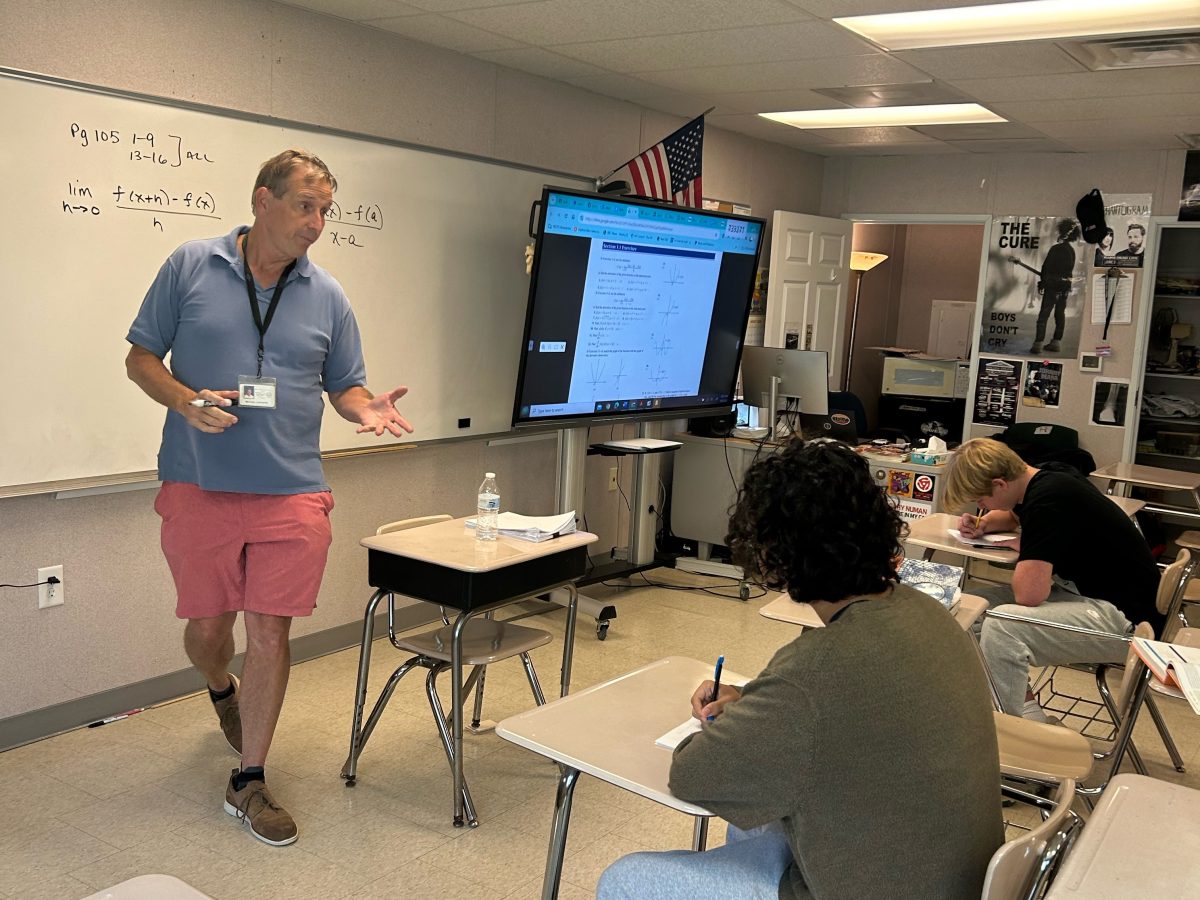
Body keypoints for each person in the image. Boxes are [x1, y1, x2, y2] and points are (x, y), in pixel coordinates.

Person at [125, 149, 413, 846]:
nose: (316, 225)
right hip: (200, 483)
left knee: (271, 631)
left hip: (292, 490)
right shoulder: (191, 265)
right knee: (208, 632)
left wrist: (362, 407)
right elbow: (139, 359)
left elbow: (344, 384)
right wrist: (185, 400)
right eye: (305, 207)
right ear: (262, 201)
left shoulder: (328, 295)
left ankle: (249, 779)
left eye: (325, 212)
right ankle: (219, 684)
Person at [597, 440, 1003, 900]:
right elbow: (842, 715)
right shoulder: (926, 612)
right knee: (763, 818)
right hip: (955, 878)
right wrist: (752, 707)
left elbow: (695, 775)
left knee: (626, 879)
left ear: (774, 552)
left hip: (873, 884)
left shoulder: (813, 671)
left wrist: (731, 725)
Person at [944, 439, 1161, 721]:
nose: (981, 507)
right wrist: (984, 524)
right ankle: (1031, 718)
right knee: (966, 609)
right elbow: (1010, 515)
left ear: (1000, 484)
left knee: (1003, 627)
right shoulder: (1046, 476)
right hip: (1090, 595)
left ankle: (1014, 737)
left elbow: (1029, 595)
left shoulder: (1048, 501)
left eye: (982, 501)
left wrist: (1032, 546)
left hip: (1129, 622)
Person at [1030, 218, 1079, 356]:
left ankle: (1038, 344)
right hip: (1064, 288)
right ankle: (1056, 343)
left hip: (1051, 287)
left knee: (1043, 315)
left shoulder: (1055, 249)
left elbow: (1046, 269)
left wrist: (1042, 283)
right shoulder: (1071, 251)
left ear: (1062, 234)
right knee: (1059, 315)